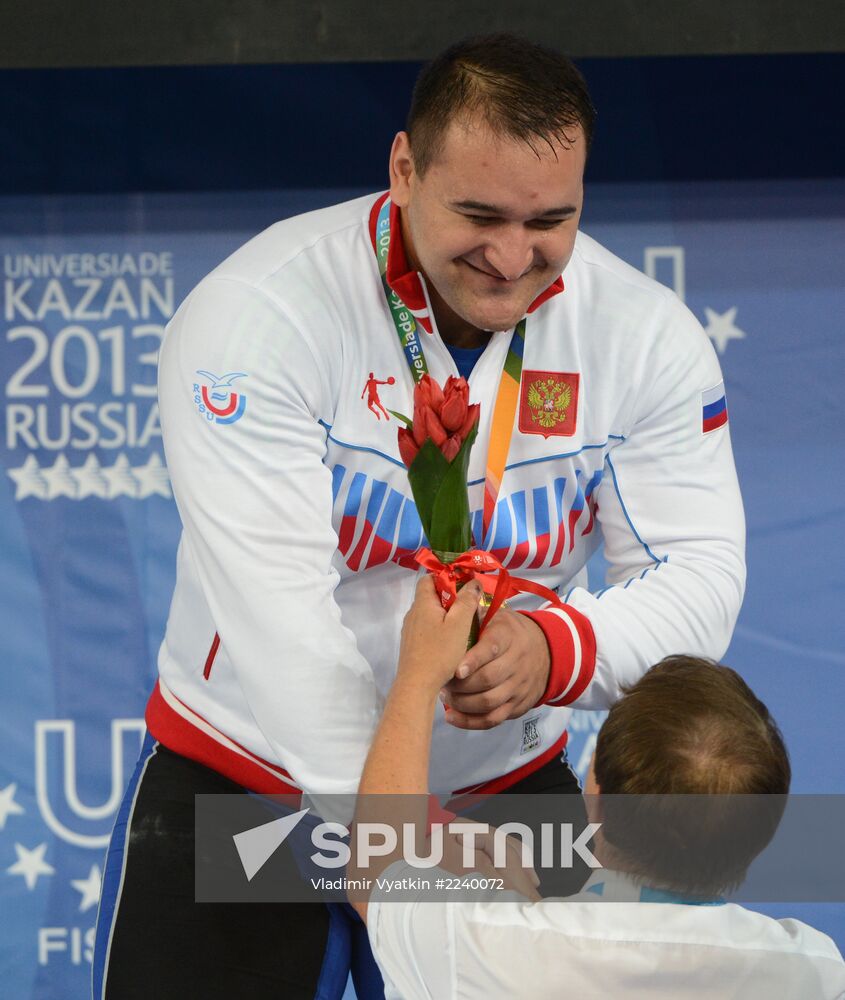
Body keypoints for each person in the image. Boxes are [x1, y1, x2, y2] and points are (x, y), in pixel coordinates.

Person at [93, 33, 745, 999]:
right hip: (249, 787)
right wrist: (393, 846)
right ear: (403, 169)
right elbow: (281, 627)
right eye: (478, 214)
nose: (512, 257)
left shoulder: (644, 337)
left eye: (550, 220)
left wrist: (553, 649)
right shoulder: (255, 317)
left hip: (501, 791)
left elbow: (700, 579)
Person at [351, 577, 845, 999]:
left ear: (596, 796)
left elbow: (374, 869)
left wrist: (417, 676)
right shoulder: (814, 971)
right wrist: (532, 914)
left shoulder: (483, 948)